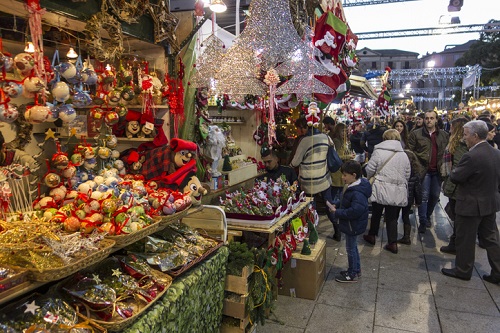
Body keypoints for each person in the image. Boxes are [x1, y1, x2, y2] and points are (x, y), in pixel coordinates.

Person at [441, 120, 500, 284]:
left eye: (466, 135)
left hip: (470, 204)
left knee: (465, 239)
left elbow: (456, 176)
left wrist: (454, 170)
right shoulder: (496, 153)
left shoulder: (471, 155)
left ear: (475, 136)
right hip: (489, 203)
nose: (464, 138)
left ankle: (463, 270)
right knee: (491, 239)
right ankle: (498, 271)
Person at [363, 129, 411, 254]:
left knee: (376, 213)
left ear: (384, 139)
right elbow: (407, 174)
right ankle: (392, 243)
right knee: (392, 217)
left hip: (380, 187)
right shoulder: (403, 154)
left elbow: (370, 169)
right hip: (396, 189)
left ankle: (372, 235)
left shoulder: (378, 152)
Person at [326, 161, 371, 283]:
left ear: (354, 175)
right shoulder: (353, 186)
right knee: (353, 248)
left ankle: (352, 274)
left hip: (353, 225)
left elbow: (354, 211)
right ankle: (356, 270)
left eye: (345, 175)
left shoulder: (357, 192)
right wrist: (337, 204)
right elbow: (346, 201)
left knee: (351, 249)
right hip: (353, 224)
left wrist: (338, 212)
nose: (342, 177)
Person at [290, 123, 337, 237]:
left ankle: (312, 232)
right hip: (324, 178)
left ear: (306, 128)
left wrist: (290, 166)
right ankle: (337, 229)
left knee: (311, 206)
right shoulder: (326, 137)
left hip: (308, 180)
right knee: (329, 204)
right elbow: (332, 153)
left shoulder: (305, 141)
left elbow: (295, 162)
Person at [407, 109, 449, 233]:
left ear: (436, 120)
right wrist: (416, 166)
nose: (429, 120)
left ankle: (428, 215)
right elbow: (410, 151)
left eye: (431, 118)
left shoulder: (443, 135)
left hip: (437, 170)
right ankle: (423, 220)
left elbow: (446, 151)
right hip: (423, 169)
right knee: (423, 196)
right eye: (427, 118)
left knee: (435, 196)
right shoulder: (416, 134)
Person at [440, 118, 469, 254]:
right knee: (455, 215)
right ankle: (456, 242)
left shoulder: (460, 146)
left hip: (456, 187)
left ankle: (456, 244)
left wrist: (449, 187)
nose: (449, 127)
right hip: (454, 185)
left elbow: (457, 168)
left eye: (452, 126)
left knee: (457, 217)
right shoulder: (455, 143)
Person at [329, 122, 355, 241]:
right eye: (342, 131)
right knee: (335, 199)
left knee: (339, 197)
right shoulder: (336, 141)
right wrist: (349, 156)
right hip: (336, 174)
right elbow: (338, 156)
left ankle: (338, 225)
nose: (345, 132)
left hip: (341, 174)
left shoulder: (344, 141)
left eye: (346, 130)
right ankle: (337, 226)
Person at [397, 149, 423, 245]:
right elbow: (418, 189)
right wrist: (418, 201)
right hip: (409, 198)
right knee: (405, 216)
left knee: (394, 216)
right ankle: (407, 237)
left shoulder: (399, 171)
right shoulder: (416, 173)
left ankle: (392, 236)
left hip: (398, 196)